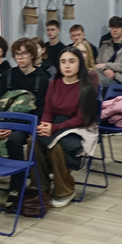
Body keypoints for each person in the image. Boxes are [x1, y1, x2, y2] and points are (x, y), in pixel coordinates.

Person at [35, 46, 99, 207]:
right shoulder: (53, 84)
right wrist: (44, 125)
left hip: (80, 127)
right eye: (63, 62)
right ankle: (40, 187)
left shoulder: (86, 86)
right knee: (32, 140)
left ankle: (65, 189)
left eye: (72, 61)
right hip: (57, 123)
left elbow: (80, 119)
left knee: (55, 143)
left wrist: (53, 129)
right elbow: (48, 111)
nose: (67, 65)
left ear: (80, 63)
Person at [0, 38, 50, 208]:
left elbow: (40, 110)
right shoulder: (8, 76)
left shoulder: (42, 78)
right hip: (5, 122)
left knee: (14, 140)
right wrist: (0, 125)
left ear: (32, 54)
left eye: (24, 53)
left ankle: (16, 187)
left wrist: (13, 128)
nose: (20, 57)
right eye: (17, 54)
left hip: (26, 124)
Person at [95, 16, 122, 88]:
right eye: (112, 28)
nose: (114, 30)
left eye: (117, 28)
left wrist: (106, 65)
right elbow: (98, 64)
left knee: (101, 82)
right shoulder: (105, 46)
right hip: (104, 74)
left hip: (121, 78)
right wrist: (105, 70)